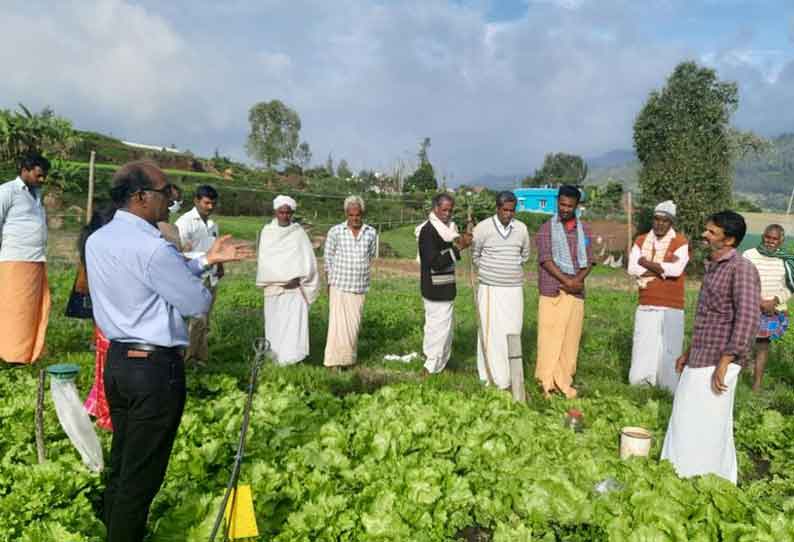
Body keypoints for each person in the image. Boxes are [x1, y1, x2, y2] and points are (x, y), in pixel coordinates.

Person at [85, 160, 252, 542]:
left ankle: (113, 528)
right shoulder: (153, 248)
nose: (170, 198)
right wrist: (204, 270)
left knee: (124, 460)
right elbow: (196, 303)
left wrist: (205, 259)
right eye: (165, 191)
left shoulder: (99, 240)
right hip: (154, 371)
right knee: (141, 477)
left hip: (118, 363)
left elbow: (157, 275)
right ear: (141, 197)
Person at [661, 211, 760, 484]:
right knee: (686, 416)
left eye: (712, 232)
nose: (704, 235)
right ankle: (681, 472)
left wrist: (726, 361)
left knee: (710, 422)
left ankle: (708, 478)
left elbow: (748, 318)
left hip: (720, 360)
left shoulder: (741, 268)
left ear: (729, 240)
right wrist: (689, 352)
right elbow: (709, 316)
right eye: (707, 230)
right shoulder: (715, 266)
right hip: (702, 356)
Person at [534, 185, 594, 398]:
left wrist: (575, 282)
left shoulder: (584, 230)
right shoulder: (546, 229)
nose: (565, 209)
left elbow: (589, 261)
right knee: (549, 337)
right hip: (552, 290)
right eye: (562, 204)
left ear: (577, 206)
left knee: (570, 338)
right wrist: (567, 281)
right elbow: (546, 260)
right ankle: (546, 382)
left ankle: (564, 381)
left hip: (576, 292)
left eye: (570, 205)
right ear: (556, 203)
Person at [626, 200, 689, 392]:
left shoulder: (680, 242)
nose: (659, 224)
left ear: (671, 223)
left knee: (670, 348)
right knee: (643, 344)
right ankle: (641, 384)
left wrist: (645, 263)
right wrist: (661, 269)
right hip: (647, 302)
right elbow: (632, 268)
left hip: (672, 305)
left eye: (665, 221)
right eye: (656, 219)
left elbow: (676, 270)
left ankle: (668, 388)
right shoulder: (640, 240)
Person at [472, 191, 530, 388]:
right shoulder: (483, 228)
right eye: (504, 210)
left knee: (512, 329)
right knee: (490, 332)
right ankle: (488, 376)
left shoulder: (521, 229)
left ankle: (508, 376)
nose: (508, 214)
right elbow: (476, 255)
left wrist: (508, 270)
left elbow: (525, 255)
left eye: (512, 210)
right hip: (490, 289)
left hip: (513, 289)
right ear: (497, 209)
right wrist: (492, 271)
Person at [256, 195, 320, 365]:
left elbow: (308, 261)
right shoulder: (267, 232)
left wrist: (298, 279)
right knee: (275, 325)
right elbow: (265, 261)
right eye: (281, 212)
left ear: (292, 213)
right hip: (273, 289)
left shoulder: (298, 233)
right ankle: (275, 360)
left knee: (294, 327)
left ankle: (293, 360)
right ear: (275, 212)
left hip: (294, 290)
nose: (284, 215)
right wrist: (278, 278)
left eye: (288, 212)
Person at [0, 153, 51, 364]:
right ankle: (11, 356)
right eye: (39, 175)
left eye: (44, 176)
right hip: (15, 259)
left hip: (36, 260)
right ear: (25, 170)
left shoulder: (36, 195)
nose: (42, 180)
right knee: (14, 310)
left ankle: (29, 352)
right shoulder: (7, 191)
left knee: (33, 309)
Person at [417, 193, 472, 376]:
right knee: (437, 330)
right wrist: (457, 249)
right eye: (444, 209)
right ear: (435, 209)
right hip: (434, 288)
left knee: (443, 330)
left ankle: (439, 364)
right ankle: (430, 367)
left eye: (450, 210)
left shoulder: (447, 229)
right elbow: (434, 262)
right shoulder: (428, 231)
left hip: (446, 287)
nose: (448, 213)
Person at [323, 195, 377, 369]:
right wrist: (328, 284)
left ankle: (348, 360)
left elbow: (370, 257)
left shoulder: (371, 232)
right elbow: (328, 259)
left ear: (363, 213)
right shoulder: (335, 231)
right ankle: (333, 363)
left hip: (359, 286)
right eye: (351, 215)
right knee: (337, 327)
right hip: (339, 285)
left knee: (353, 327)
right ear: (346, 214)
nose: (355, 218)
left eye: (358, 214)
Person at [175, 185, 222, 365]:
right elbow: (179, 252)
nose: (210, 207)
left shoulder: (212, 224)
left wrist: (220, 265)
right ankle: (186, 359)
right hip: (194, 276)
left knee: (204, 321)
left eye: (213, 203)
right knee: (195, 319)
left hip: (211, 276)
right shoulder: (185, 222)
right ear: (196, 201)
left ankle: (200, 357)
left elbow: (215, 247)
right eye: (207, 203)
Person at [743, 224, 793, 392]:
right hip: (750, 305)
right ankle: (736, 377)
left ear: (781, 240)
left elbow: (789, 286)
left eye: (774, 239)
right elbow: (743, 280)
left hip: (773, 310)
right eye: (768, 237)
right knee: (743, 343)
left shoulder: (785, 259)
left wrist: (775, 300)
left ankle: (756, 384)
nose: (770, 241)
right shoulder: (749, 255)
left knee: (763, 345)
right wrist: (757, 300)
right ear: (763, 236)